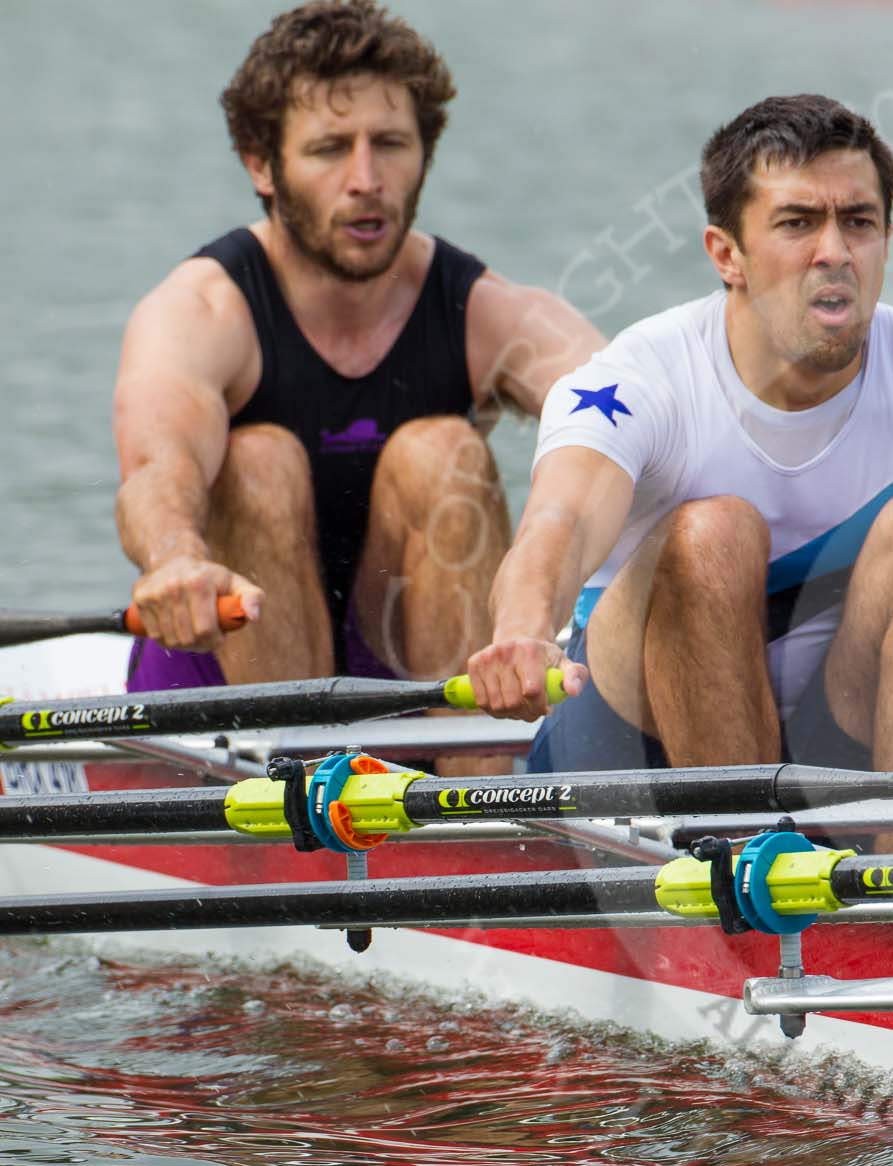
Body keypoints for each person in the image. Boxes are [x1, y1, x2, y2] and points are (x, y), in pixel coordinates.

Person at [466, 95, 893, 830]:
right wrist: (523, 630)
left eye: (858, 221)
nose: (834, 251)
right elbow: (557, 521)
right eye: (797, 223)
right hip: (628, 743)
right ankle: (743, 870)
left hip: (831, 739)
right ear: (726, 254)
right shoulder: (635, 379)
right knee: (714, 532)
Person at [116, 0, 601, 689]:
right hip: (221, 672)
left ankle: (480, 785)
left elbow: (637, 407)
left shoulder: (485, 310)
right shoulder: (200, 310)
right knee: (259, 460)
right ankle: (289, 772)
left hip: (402, 662)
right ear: (261, 165)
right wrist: (173, 557)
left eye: (392, 144)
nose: (367, 180)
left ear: (424, 154)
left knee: (444, 452)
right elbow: (154, 470)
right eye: (329, 148)